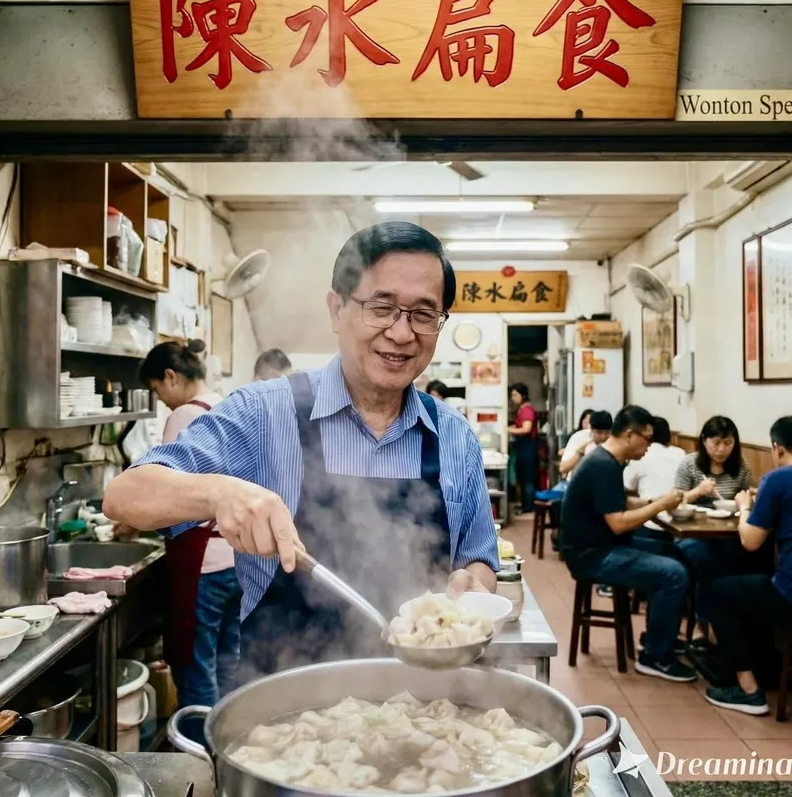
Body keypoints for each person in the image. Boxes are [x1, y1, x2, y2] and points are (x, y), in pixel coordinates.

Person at [104, 221, 499, 683]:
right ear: (336, 309)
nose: (401, 332)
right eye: (382, 307)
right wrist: (218, 493)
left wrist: (471, 589)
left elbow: (478, 560)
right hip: (281, 707)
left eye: (423, 314)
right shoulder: (264, 412)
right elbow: (124, 496)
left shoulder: (454, 436)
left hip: (427, 701)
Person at [705, 416, 792, 716]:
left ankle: (748, 691)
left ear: (776, 448)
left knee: (718, 591)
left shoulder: (777, 479)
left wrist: (746, 508)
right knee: (760, 583)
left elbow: (751, 541)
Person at [136, 340, 241, 717]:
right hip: (236, 557)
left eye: (157, 389)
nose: (161, 399)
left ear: (171, 377)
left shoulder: (183, 417)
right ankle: (229, 752)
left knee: (194, 667)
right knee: (228, 663)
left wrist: (135, 517)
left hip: (203, 564)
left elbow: (169, 495)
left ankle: (200, 757)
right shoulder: (226, 405)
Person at [560, 405, 695, 682]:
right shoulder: (602, 464)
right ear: (630, 435)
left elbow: (617, 502)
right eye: (647, 439)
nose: (649, 446)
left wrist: (652, 502)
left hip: (604, 545)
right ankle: (654, 657)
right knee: (674, 573)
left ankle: (659, 636)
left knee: (677, 553)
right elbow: (618, 522)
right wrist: (659, 504)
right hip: (592, 555)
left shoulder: (606, 459)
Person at [673, 416, 760, 629]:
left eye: (728, 443)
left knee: (745, 558)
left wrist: (750, 499)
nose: (722, 449)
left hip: (728, 533)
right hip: (692, 534)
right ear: (704, 441)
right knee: (708, 561)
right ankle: (706, 622)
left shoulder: (741, 466)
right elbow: (675, 501)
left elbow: (749, 494)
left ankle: (730, 623)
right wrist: (697, 492)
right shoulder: (690, 464)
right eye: (716, 443)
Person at [624, 416, 687, 541]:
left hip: (649, 525)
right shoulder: (681, 453)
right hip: (679, 524)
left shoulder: (641, 455)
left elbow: (627, 485)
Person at [507, 383, 539, 513]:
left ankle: (529, 506)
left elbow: (526, 429)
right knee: (522, 477)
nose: (513, 398)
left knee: (527, 478)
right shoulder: (521, 409)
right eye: (512, 395)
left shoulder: (527, 410)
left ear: (523, 395)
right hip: (522, 448)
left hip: (528, 448)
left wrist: (508, 429)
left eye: (515, 395)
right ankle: (524, 504)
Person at [559, 409, 604, 479]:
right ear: (582, 422)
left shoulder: (604, 441)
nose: (588, 425)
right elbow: (563, 467)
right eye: (586, 422)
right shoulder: (576, 436)